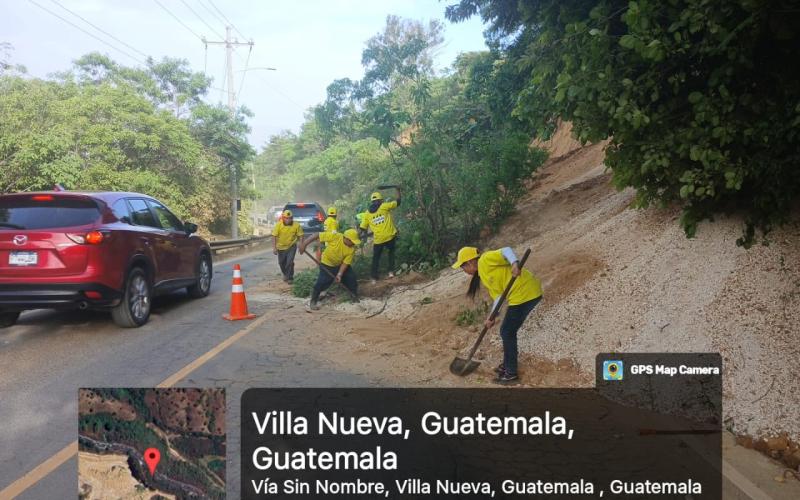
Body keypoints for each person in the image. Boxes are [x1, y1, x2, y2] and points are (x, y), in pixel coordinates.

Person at [452, 246, 543, 384]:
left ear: (470, 262)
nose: (463, 270)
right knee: (507, 331)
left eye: (463, 267)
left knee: (507, 332)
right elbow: (498, 297)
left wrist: (514, 263)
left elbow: (506, 250)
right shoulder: (483, 274)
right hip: (519, 296)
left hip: (526, 293)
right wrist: (491, 317)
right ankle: (507, 366)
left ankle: (511, 373)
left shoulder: (485, 260)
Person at [299, 228, 361, 311]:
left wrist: (339, 274)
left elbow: (345, 263)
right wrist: (304, 244)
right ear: (346, 238)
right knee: (322, 282)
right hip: (327, 264)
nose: (353, 243)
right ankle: (313, 301)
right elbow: (317, 234)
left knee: (351, 278)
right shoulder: (336, 236)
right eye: (352, 241)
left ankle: (354, 296)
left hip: (339, 264)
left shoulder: (351, 249)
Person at [359, 188, 400, 283]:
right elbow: (398, 202)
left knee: (376, 258)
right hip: (389, 236)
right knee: (391, 254)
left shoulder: (367, 213)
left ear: (372, 201)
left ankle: (374, 278)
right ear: (380, 200)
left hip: (378, 240)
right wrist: (398, 191)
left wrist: (358, 236)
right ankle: (390, 272)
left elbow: (363, 228)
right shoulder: (384, 206)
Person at [271, 210, 303, 284]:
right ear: (283, 218)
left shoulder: (296, 225)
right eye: (286, 218)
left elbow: (301, 236)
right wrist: (274, 248)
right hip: (280, 247)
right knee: (281, 263)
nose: (288, 220)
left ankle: (289, 278)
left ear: (292, 218)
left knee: (289, 262)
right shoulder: (278, 225)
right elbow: (274, 236)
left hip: (291, 246)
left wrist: (301, 245)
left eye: (290, 218)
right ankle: (286, 274)